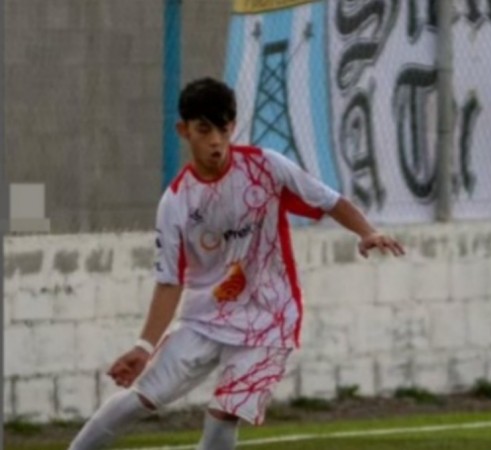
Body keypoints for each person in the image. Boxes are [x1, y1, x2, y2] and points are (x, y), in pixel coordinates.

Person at [68, 77, 405, 450]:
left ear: (233, 126)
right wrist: (143, 347)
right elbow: (169, 282)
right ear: (184, 130)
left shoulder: (266, 168)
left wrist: (366, 232)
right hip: (205, 318)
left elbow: (328, 199)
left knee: (225, 410)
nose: (216, 140)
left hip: (269, 317)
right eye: (204, 129)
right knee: (141, 399)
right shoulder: (177, 202)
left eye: (223, 128)